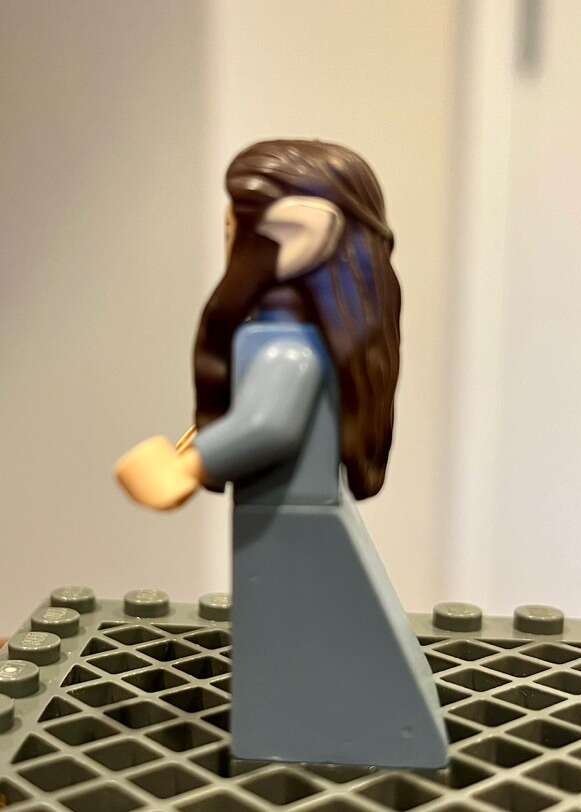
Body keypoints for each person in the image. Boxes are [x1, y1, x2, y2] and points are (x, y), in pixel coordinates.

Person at [116, 139, 447, 769]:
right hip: (298, 519)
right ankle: (324, 732)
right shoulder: (292, 336)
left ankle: (307, 742)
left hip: (289, 525)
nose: (228, 240)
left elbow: (268, 425)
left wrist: (185, 467)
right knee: (310, 632)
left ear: (297, 233)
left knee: (294, 634)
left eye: (234, 227)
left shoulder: (287, 348)